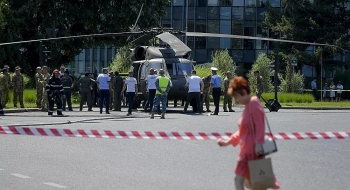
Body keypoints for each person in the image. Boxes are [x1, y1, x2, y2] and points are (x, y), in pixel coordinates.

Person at [217, 76, 280, 190]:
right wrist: (227, 142)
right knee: (254, 184)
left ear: (244, 92)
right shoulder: (247, 107)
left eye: (237, 96)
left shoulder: (254, 103)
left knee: (242, 180)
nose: (236, 100)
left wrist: (258, 144)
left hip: (252, 151)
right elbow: (242, 132)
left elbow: (260, 125)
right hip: (248, 150)